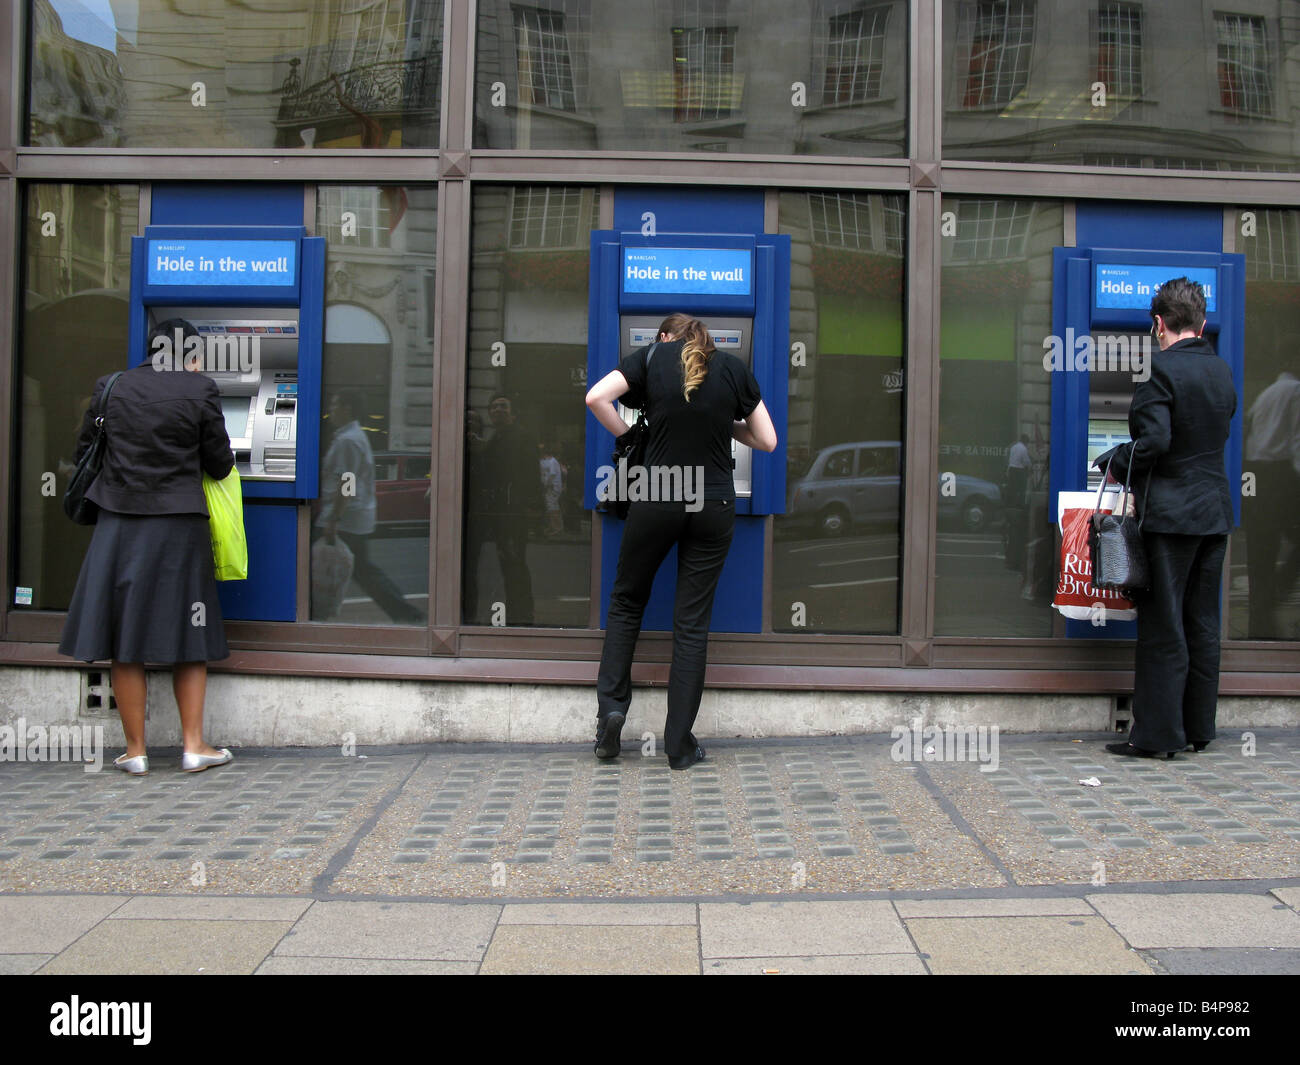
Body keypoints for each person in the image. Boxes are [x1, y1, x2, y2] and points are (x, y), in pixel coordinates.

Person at [586, 313, 777, 769]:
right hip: (714, 503)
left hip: (659, 492)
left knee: (628, 601)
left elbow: (596, 397)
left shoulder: (651, 357)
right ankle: (678, 745)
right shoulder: (732, 367)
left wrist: (634, 434)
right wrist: (723, 425)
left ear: (666, 337)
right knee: (691, 624)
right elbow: (767, 441)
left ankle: (611, 713)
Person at [59, 318, 236, 775]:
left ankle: (135, 752)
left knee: (125, 637)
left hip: (119, 523)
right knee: (189, 633)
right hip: (179, 524)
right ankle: (194, 745)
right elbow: (219, 464)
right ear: (192, 355)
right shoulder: (201, 390)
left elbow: (84, 454)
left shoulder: (111, 387)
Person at [1093, 278, 1237, 759]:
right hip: (1214, 515)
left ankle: (1156, 736)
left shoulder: (1162, 374)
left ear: (1159, 323)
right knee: (1201, 622)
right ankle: (1198, 728)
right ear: (1199, 321)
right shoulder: (1221, 372)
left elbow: (1155, 444)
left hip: (1172, 519)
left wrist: (1114, 459)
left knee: (1163, 627)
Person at [316, 391, 423, 624]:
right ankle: (405, 612)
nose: (330, 410)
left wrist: (333, 519)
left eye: (335, 404)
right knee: (364, 571)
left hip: (346, 518)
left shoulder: (348, 441)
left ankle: (406, 613)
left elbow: (347, 482)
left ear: (348, 409)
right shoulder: (350, 437)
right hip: (352, 517)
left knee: (360, 571)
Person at [1242, 369, 1300, 637]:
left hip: (1256, 473)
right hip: (1281, 473)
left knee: (1261, 551)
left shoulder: (1264, 395)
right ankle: (1279, 588)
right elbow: (1297, 441)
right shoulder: (1295, 391)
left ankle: (1260, 622)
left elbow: (1249, 433)